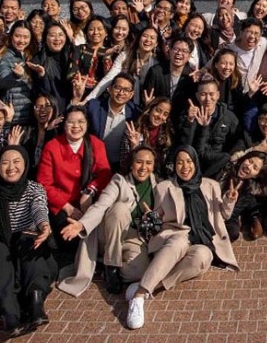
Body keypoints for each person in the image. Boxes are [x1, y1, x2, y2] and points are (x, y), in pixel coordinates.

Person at [125, 146, 238, 330]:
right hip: (176, 235)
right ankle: (139, 296)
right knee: (179, 242)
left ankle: (151, 285)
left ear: (195, 163)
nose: (184, 166)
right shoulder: (165, 187)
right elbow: (159, 217)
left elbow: (223, 215)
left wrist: (229, 200)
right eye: (179, 162)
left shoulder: (211, 185)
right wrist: (152, 218)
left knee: (202, 258)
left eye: (189, 161)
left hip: (202, 240)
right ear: (174, 166)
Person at [0, 146, 57, 337]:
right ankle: (9, 314)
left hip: (26, 246)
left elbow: (38, 207)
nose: (11, 167)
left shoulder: (34, 188)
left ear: (25, 164)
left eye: (16, 161)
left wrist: (44, 226)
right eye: (5, 162)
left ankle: (36, 303)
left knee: (29, 240)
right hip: (0, 241)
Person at [58, 145, 158, 296]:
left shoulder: (158, 185)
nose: (144, 167)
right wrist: (81, 224)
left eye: (149, 163)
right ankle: (111, 266)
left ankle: (101, 265)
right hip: (109, 233)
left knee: (139, 272)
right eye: (139, 162)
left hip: (134, 237)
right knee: (120, 209)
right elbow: (101, 205)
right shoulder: (119, 181)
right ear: (131, 164)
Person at [36, 106, 111, 246]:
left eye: (81, 121)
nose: (76, 126)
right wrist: (67, 207)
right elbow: (43, 184)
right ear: (64, 125)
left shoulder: (96, 144)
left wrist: (90, 190)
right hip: (62, 203)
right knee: (69, 238)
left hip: (89, 201)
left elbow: (105, 174)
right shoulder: (52, 147)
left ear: (87, 124)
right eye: (71, 122)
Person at [182, 75, 242, 178]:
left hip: (218, 162)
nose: (208, 99)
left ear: (218, 95)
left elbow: (240, 139)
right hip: (194, 161)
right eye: (203, 94)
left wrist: (233, 154)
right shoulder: (190, 114)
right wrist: (190, 121)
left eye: (211, 94)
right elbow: (184, 144)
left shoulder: (228, 117)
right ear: (197, 96)